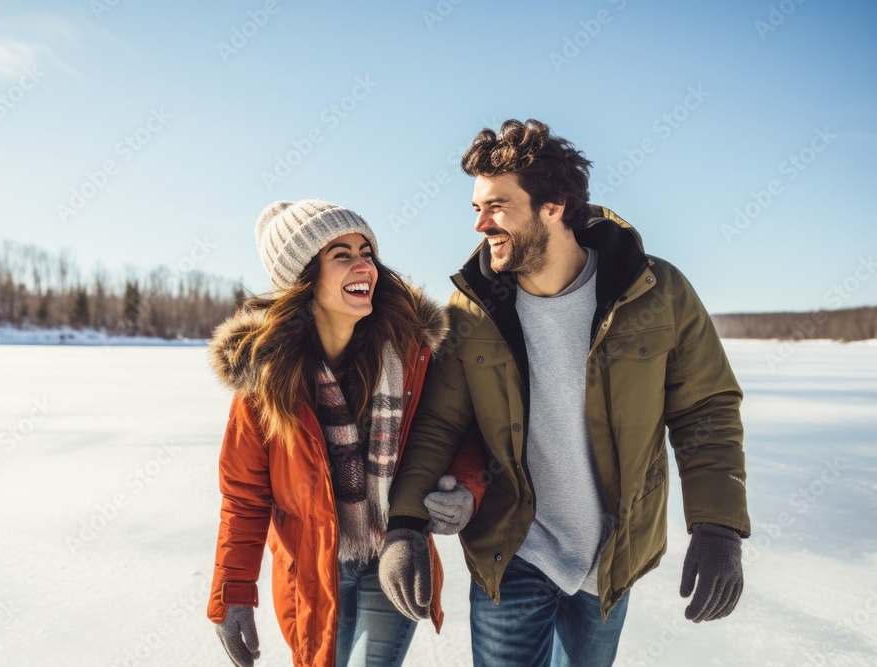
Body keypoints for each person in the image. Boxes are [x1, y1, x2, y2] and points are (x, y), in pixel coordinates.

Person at [377, 120, 751, 666]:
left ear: (554, 204)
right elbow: (440, 423)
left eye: (498, 206)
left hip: (611, 552)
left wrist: (718, 526)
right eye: (477, 207)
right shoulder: (474, 309)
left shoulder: (655, 291)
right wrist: (406, 524)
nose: (480, 223)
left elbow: (705, 411)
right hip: (513, 549)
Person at [206, 200, 488, 667]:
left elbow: (459, 434)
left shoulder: (412, 353)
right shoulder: (266, 378)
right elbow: (244, 496)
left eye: (367, 251)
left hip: (396, 551)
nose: (364, 265)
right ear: (304, 278)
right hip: (315, 566)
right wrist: (231, 593)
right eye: (341, 254)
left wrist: (467, 489)